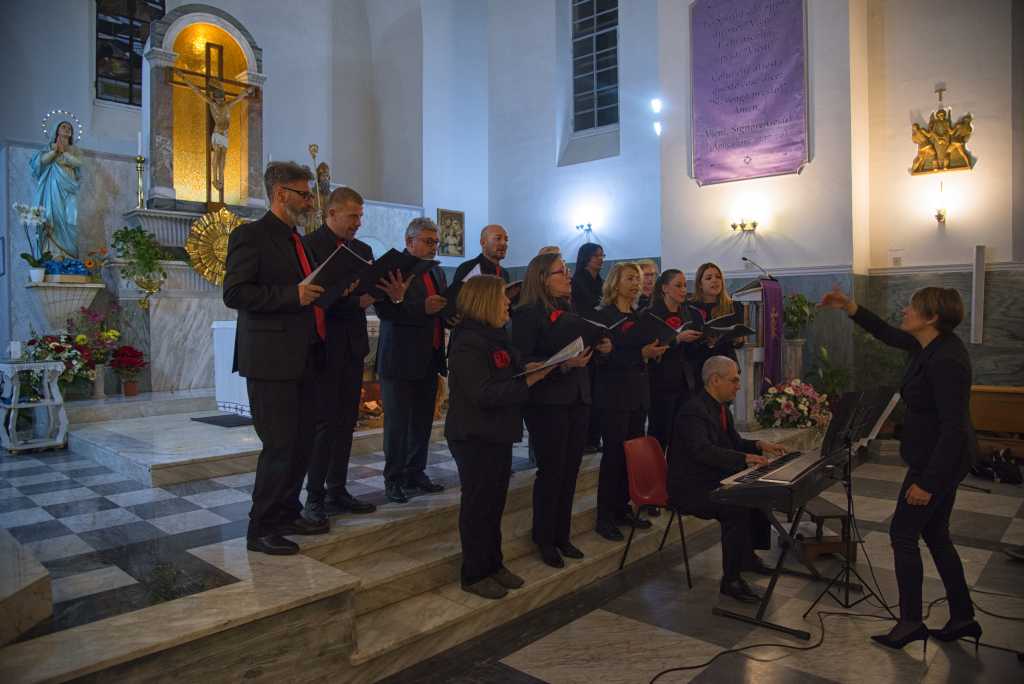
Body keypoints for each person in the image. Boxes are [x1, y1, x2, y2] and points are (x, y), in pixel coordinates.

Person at [820, 286, 979, 651]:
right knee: (936, 534)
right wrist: (850, 307)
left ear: (932, 317)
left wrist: (928, 483)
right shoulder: (926, 345)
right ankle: (963, 616)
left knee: (903, 534)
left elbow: (953, 428)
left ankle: (911, 622)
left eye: (912, 306)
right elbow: (887, 333)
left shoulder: (946, 360)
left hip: (939, 462)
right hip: (933, 457)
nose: (904, 310)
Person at [223, 161, 331, 555]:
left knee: (302, 443)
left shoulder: (297, 240)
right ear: (281, 193)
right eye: (303, 194)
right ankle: (260, 527)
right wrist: (292, 296)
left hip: (305, 354)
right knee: (279, 445)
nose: (308, 201)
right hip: (270, 360)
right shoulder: (250, 235)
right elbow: (235, 293)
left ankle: (287, 511)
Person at [446, 276, 556, 599]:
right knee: (478, 506)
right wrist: (529, 382)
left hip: (497, 433)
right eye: (502, 298)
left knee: (495, 505)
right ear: (484, 301)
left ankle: (493, 564)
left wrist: (534, 367)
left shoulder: (495, 336)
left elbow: (509, 369)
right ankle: (474, 573)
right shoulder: (467, 341)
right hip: (474, 435)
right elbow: (482, 393)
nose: (508, 303)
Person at [301, 187, 406, 522]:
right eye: (353, 216)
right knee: (323, 423)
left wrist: (391, 294)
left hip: (351, 344)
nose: (358, 223)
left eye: (360, 216)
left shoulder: (362, 249)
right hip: (322, 343)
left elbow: (370, 290)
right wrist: (352, 300)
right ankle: (314, 495)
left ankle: (337, 489)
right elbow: (313, 298)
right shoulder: (308, 247)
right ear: (331, 214)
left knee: (347, 421)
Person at [510, 253, 609, 568]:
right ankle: (544, 537)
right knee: (552, 471)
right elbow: (522, 361)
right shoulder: (526, 314)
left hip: (578, 396)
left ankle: (562, 535)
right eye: (560, 272)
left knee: (571, 470)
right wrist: (562, 364)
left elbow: (584, 347)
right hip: (547, 400)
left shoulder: (570, 310)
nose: (568, 277)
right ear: (541, 278)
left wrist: (603, 347)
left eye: (567, 272)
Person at [667, 356, 788, 602]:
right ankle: (730, 580)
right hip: (691, 488)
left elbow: (733, 443)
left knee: (755, 492)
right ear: (715, 380)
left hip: (712, 479)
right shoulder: (693, 411)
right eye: (734, 380)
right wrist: (745, 458)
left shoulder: (720, 408)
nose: (738, 386)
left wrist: (757, 445)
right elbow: (702, 451)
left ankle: (746, 558)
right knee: (735, 508)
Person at [591, 262, 669, 541]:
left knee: (631, 455)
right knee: (613, 456)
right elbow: (603, 358)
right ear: (615, 282)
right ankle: (604, 516)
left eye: (638, 278)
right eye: (630, 278)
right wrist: (641, 354)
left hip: (637, 392)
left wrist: (655, 351)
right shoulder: (603, 315)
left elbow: (639, 349)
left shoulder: (639, 315)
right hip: (612, 394)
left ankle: (623, 506)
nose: (636, 283)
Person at [375, 218, 449, 504]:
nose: (433, 247)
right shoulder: (394, 268)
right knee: (397, 424)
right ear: (409, 241)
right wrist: (422, 307)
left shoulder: (437, 273)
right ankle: (393, 479)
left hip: (429, 356)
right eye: (428, 242)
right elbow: (384, 310)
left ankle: (415, 472)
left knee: (421, 420)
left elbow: (438, 307)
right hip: (400, 358)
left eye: (435, 242)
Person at [643, 269, 703, 450]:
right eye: (678, 285)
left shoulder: (689, 313)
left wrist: (707, 339)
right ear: (665, 288)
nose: (684, 290)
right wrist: (676, 339)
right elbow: (650, 348)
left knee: (683, 433)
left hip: (686, 380)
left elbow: (693, 350)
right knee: (660, 431)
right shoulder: (651, 314)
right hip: (661, 379)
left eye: (685, 285)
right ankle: (655, 474)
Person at [571, 242, 605, 452]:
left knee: (597, 390)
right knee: (588, 388)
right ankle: (586, 439)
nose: (601, 259)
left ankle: (594, 437)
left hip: (599, 334)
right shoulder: (578, 281)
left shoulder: (600, 280)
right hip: (585, 335)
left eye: (602, 256)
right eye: (597, 256)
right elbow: (587, 307)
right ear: (586, 258)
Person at [30, 121, 81, 258]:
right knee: (53, 216)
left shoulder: (74, 149)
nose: (67, 129)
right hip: (53, 186)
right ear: (57, 130)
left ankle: (69, 255)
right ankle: (53, 254)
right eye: (63, 127)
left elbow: (78, 163)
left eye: (69, 128)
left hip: (69, 186)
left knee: (69, 219)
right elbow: (41, 162)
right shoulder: (49, 147)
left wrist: (64, 153)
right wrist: (55, 152)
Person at [688, 262, 746, 378]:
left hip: (726, 364)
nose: (715, 280)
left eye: (718, 277)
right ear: (700, 284)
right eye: (709, 278)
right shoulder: (690, 307)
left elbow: (738, 343)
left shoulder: (734, 306)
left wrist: (738, 340)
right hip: (698, 364)